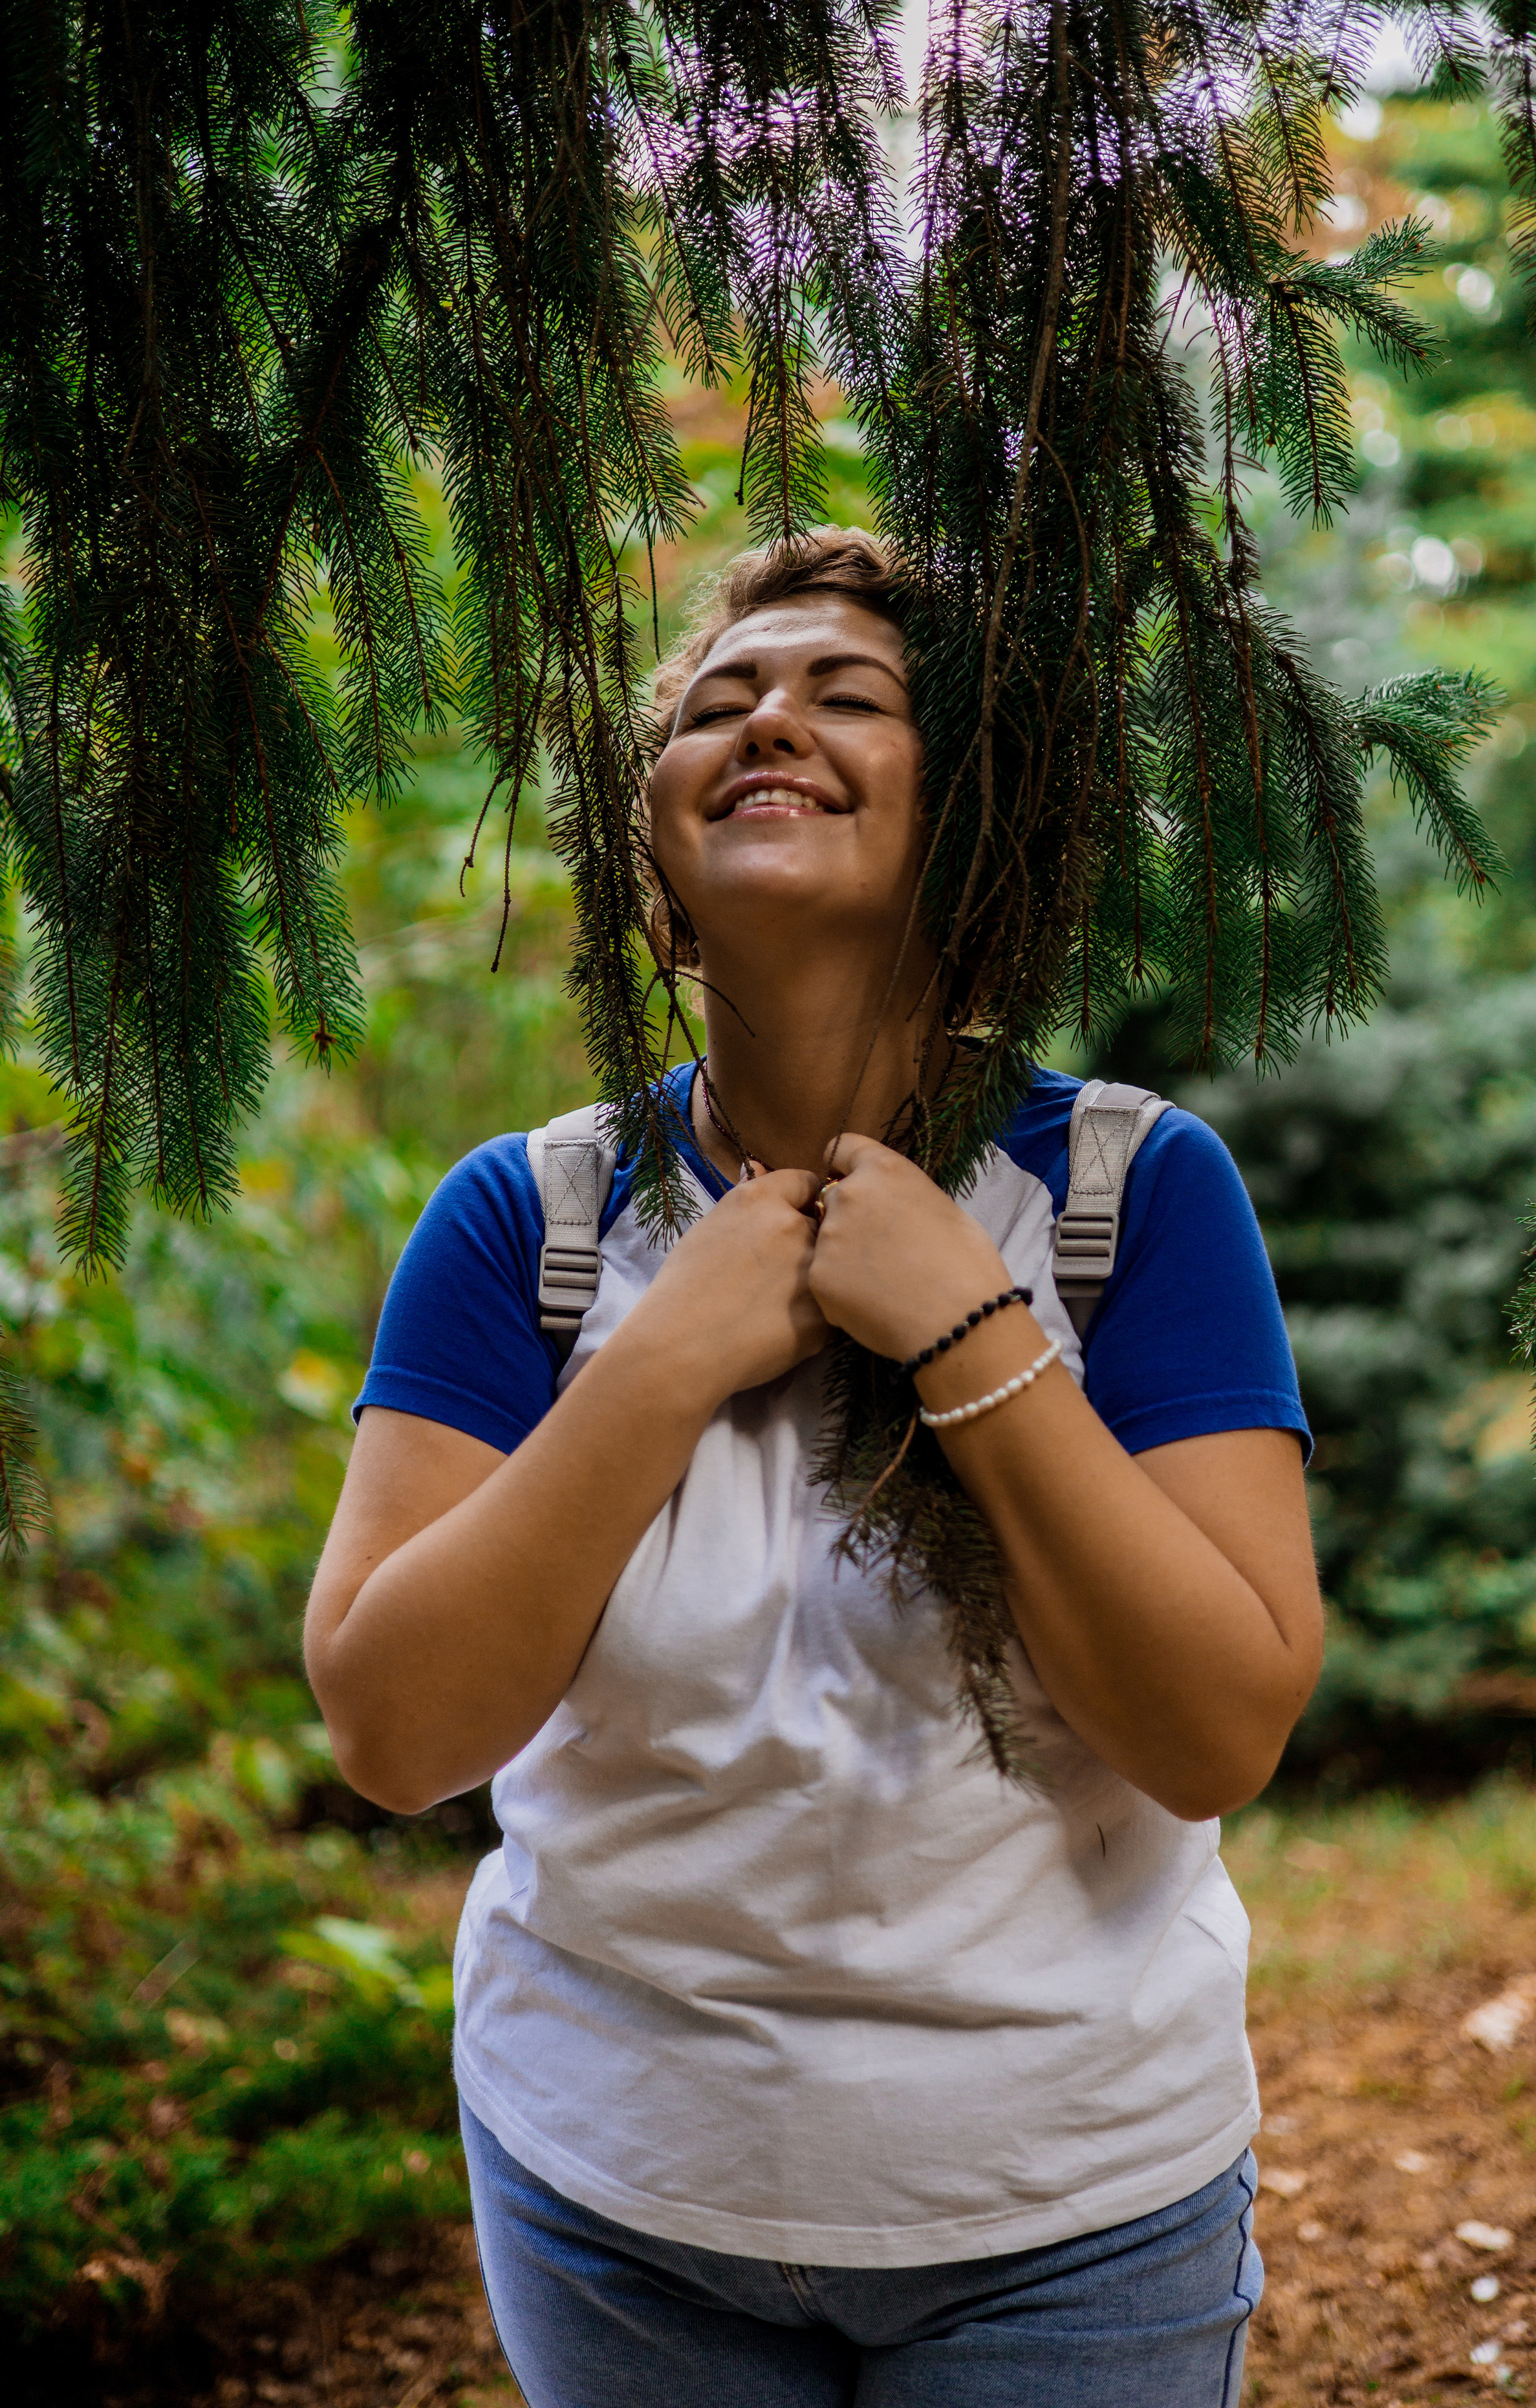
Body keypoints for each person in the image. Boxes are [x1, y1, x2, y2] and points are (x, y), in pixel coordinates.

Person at [305, 528, 1323, 2407]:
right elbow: (392, 1726)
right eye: (722, 700)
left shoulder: (1128, 1195)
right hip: (612, 2192)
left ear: (971, 836)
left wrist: (968, 1334)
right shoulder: (521, 1224)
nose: (771, 713)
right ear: (666, 881)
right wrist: (667, 1357)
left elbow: (1218, 1732)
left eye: (850, 696)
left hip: (1072, 2208)